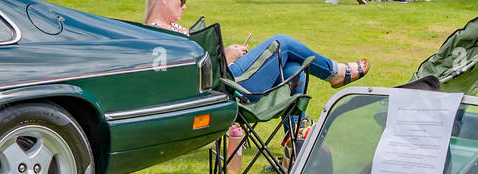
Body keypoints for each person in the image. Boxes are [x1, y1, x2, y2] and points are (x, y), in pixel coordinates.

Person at [144, 0, 368, 90]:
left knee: (293, 71)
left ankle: (295, 143)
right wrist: (226, 57)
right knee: (283, 43)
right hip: (229, 85)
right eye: (181, 1)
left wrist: (226, 53)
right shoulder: (159, 32)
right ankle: (334, 72)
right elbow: (187, 73)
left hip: (226, 76)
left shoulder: (162, 29)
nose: (184, 7)